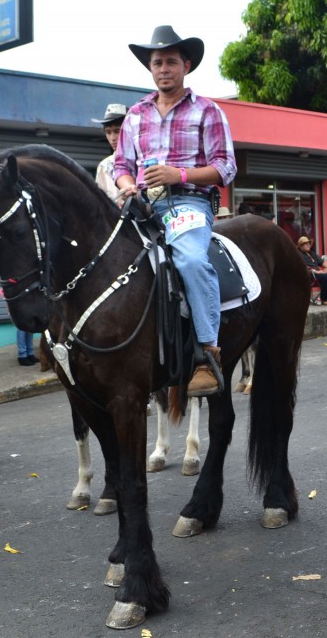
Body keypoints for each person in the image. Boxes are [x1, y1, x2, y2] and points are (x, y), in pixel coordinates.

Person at [114, 25, 237, 396]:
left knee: (191, 261)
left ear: (186, 65)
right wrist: (127, 186)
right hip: (142, 205)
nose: (163, 68)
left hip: (188, 203)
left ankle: (208, 355)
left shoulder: (208, 111)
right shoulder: (134, 115)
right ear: (150, 68)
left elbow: (226, 167)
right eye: (157, 62)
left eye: (170, 61)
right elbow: (121, 166)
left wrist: (177, 174)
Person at [92, 103, 128, 202]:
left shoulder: (142, 162)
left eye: (117, 131)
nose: (112, 138)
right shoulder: (104, 166)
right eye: (108, 132)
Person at [298, 236, 327, 306]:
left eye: (308, 243)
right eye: (305, 243)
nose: (308, 244)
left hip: (319, 274)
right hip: (308, 275)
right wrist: (315, 271)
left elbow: (324, 263)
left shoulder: (312, 253)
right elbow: (301, 267)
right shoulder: (298, 254)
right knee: (326, 277)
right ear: (300, 246)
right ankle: (324, 299)